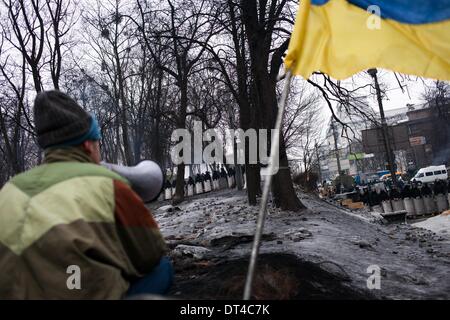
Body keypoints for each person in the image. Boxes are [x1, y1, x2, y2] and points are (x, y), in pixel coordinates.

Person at [0, 90, 172, 299]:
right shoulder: (107, 184)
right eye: (98, 142)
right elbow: (149, 254)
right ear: (88, 144)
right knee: (162, 268)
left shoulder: (10, 189)